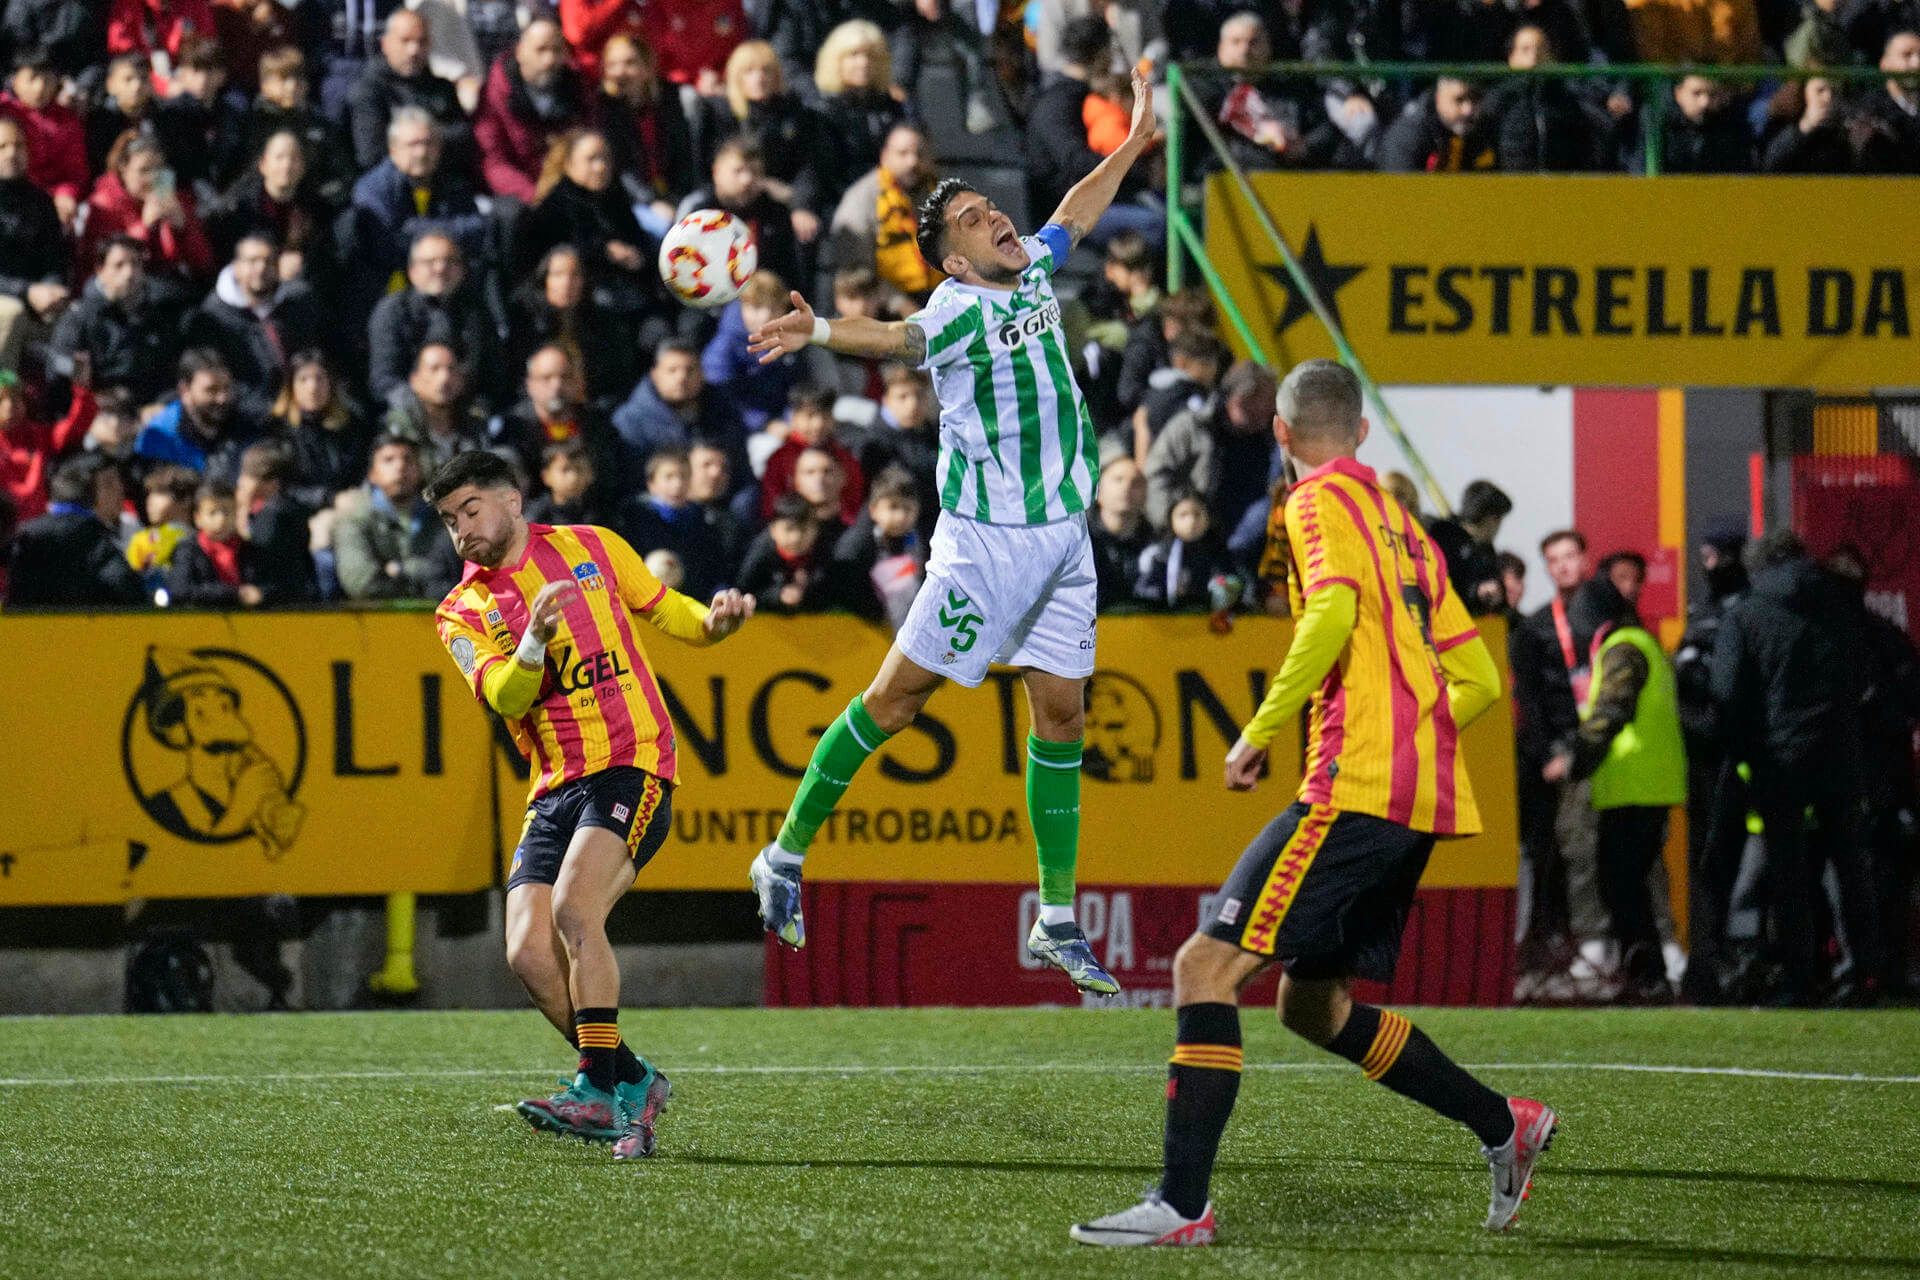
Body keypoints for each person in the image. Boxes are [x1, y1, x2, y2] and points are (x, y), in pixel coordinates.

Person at [1070, 360, 1548, 1249]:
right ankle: (1502, 1124)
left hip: (1354, 787)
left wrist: (1258, 729)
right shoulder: (1404, 525)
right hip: (1417, 800)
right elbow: (1478, 672)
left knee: (1199, 971)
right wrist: (1414, 734)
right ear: (1363, 432)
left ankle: (1181, 1205)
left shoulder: (1311, 504)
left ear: (1280, 436)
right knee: (1310, 1008)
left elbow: (1327, 612)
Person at [742, 69, 1163, 997]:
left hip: (1064, 538)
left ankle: (1057, 919)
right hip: (988, 545)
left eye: (987, 207)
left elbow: (1074, 211)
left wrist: (1132, 146)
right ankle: (783, 854)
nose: (996, 220)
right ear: (954, 261)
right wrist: (818, 332)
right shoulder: (957, 311)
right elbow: (894, 341)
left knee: (1063, 715)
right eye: (975, 220)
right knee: (895, 704)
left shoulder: (1038, 269)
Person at [426, 447, 753, 1159]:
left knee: (575, 911)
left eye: (470, 511)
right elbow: (505, 697)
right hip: (553, 788)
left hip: (632, 764)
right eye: (450, 521)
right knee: (525, 951)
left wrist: (716, 623)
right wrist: (535, 641)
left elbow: (673, 613)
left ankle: (596, 1091)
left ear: (513, 500)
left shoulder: (592, 547)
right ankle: (630, 1078)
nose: (461, 531)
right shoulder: (461, 611)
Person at [1710, 530, 1882, 1004]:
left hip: (1777, 758)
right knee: (1849, 864)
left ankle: (1798, 975)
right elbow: (1867, 675)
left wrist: (1745, 751)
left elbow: (1727, 694)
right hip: (1841, 752)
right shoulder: (1846, 606)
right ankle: (1861, 972)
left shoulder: (1746, 614)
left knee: (1788, 870)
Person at [1543, 575, 1686, 1003]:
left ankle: (1646, 977)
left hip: (1634, 787)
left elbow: (1611, 711)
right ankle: (1645, 972)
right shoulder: (1638, 642)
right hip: (1642, 784)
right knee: (1627, 883)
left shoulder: (1623, 648)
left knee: (1622, 886)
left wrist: (1576, 760)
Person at [1672, 523, 1750, 1001]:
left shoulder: (1741, 607)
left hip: (1731, 757)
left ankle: (1727, 963)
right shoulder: (1703, 608)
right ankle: (1707, 963)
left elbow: (1727, 685)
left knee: (1729, 863)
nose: (1707, 565)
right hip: (1699, 755)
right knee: (1706, 863)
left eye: (1713, 556)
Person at [344, 109, 490, 303]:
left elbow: (478, 231)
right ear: (393, 149)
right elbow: (389, 245)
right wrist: (452, 232)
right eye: (412, 145)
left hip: (447, 285)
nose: (421, 152)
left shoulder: (453, 183)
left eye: (428, 143)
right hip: (386, 293)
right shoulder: (372, 189)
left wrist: (415, 229)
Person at [696, 39, 827, 251]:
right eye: (749, 71)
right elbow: (703, 163)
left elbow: (807, 167)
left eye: (766, 71)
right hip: (723, 199)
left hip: (778, 200)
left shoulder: (794, 114)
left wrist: (801, 204)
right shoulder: (717, 112)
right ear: (736, 76)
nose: (759, 78)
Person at [182, 232, 323, 421]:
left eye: (268, 261)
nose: (261, 268)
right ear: (236, 267)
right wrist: (273, 411)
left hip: (303, 406)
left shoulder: (297, 301)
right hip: (252, 418)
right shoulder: (214, 317)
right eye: (252, 261)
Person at [366, 231, 500, 410]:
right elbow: (385, 380)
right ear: (412, 271)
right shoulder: (392, 311)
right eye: (430, 262)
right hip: (408, 415)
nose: (440, 268)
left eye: (449, 261)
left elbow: (492, 376)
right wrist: (425, 413)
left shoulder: (476, 312)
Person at [50, 237, 189, 407]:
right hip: (98, 409)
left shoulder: (159, 313)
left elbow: (172, 371)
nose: (129, 273)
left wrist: (161, 404)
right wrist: (81, 377)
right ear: (100, 270)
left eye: (136, 264)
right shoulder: (80, 317)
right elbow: (57, 365)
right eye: (119, 265)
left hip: (149, 408)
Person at [1143, 360, 1277, 532]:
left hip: (1239, 533)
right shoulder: (1192, 426)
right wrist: (1172, 520)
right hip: (1187, 529)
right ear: (1233, 395)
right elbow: (1156, 474)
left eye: (1267, 404)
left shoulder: (1270, 444)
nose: (1259, 409)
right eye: (1251, 398)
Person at [591, 33, 697, 237]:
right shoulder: (604, 110)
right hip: (632, 201)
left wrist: (681, 200)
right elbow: (620, 170)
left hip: (676, 194)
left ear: (647, 67)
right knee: (663, 230)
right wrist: (651, 201)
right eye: (612, 65)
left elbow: (685, 157)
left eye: (630, 63)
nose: (621, 72)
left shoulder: (672, 101)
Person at [333, 433, 462, 600]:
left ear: (420, 469)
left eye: (408, 459)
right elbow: (360, 584)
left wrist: (399, 570)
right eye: (388, 460)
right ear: (372, 474)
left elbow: (453, 578)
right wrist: (422, 578)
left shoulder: (439, 515)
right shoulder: (353, 516)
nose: (400, 466)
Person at [5, 453, 145, 606]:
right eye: (108, 484)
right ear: (85, 492)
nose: (120, 489)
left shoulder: (132, 527)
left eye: (119, 481)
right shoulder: (75, 538)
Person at [78, 131, 217, 284]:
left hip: (172, 283)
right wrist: (145, 226)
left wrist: (183, 228)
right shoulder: (104, 204)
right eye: (144, 170)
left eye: (159, 169)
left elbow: (204, 263)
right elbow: (102, 266)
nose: (153, 178)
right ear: (124, 168)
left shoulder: (171, 196)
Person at [610, 337, 750, 489]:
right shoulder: (631, 421)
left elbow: (741, 472)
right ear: (655, 375)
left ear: (702, 374)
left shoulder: (725, 412)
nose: (681, 377)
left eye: (690, 370)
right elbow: (631, 482)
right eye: (672, 370)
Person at [474, 18, 588, 202]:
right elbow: (494, 161)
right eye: (541, 50)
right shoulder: (494, 95)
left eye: (556, 50)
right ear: (520, 52)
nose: (549, 60)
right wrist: (534, 196)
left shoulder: (577, 89)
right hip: (522, 195)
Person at [826, 122, 941, 303]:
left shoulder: (943, 193)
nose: (912, 162)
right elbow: (855, 270)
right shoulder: (862, 198)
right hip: (884, 307)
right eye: (902, 154)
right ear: (885, 156)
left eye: (919, 154)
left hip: (941, 297)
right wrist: (900, 305)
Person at [345, 9, 470, 172]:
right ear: (385, 44)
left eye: (421, 42)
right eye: (405, 41)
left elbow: (463, 139)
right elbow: (370, 155)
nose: (414, 50)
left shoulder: (442, 88)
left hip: (441, 183)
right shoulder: (369, 91)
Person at [674, 136, 803, 293]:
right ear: (716, 173)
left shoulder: (774, 211)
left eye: (755, 172)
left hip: (764, 302)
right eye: (738, 171)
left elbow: (789, 272)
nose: (747, 180)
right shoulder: (697, 212)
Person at [812, 19, 914, 205]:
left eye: (870, 56)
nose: (863, 63)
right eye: (853, 55)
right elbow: (825, 173)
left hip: (893, 200)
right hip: (840, 205)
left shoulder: (893, 108)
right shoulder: (823, 113)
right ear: (837, 61)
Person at [135, 348, 263, 481]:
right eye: (211, 390)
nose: (222, 398)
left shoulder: (247, 429)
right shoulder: (160, 436)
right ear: (184, 390)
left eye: (227, 388)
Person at [618, 447, 726, 598]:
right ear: (652, 484)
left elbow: (712, 570)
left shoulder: (703, 521)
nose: (677, 484)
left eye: (683, 476)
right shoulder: (635, 519)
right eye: (669, 477)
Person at [272, 350, 372, 510]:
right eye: (303, 379)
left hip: (352, 505)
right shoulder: (278, 430)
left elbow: (362, 469)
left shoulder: (351, 424)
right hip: (301, 512)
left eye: (319, 378)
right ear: (291, 387)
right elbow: (283, 487)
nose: (312, 387)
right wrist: (328, 498)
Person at [828, 465, 924, 625]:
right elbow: (846, 589)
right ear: (873, 510)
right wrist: (876, 614)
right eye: (893, 507)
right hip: (869, 631)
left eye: (907, 509)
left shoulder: (921, 541)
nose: (900, 516)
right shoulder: (856, 547)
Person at [381, 341, 488, 479]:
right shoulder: (400, 425)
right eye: (434, 369)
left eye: (451, 369)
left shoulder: (475, 424)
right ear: (415, 380)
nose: (444, 378)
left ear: (461, 380)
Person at [0, 370, 93, 524]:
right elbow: (23, 497)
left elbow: (75, 426)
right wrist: (38, 459)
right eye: (2, 400)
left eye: (16, 398)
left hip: (41, 528)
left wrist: (82, 388)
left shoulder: (36, 433)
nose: (10, 406)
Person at [165, 477, 264, 608]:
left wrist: (261, 593)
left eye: (227, 512)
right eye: (212, 513)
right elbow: (180, 590)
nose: (221, 520)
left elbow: (270, 584)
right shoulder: (188, 550)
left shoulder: (248, 549)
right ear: (198, 518)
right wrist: (234, 594)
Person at [1134, 489, 1235, 611]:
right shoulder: (1159, 555)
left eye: (1197, 514)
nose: (1191, 522)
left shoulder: (1219, 553)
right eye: (1183, 515)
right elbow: (1144, 590)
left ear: (1208, 518)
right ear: (1171, 520)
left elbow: (1232, 584)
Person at [1426, 479, 1512, 613]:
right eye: (1499, 520)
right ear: (1491, 519)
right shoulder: (1442, 536)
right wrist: (1476, 591)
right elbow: (1437, 585)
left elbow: (1499, 593)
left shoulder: (1486, 550)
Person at [736, 490, 830, 613]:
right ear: (773, 530)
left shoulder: (823, 551)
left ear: (816, 529)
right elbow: (743, 590)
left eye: (804, 529)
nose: (796, 537)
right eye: (789, 529)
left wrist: (808, 589)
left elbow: (832, 592)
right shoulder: (761, 551)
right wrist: (777, 595)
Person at [1380, 77, 1495, 173]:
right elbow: (1402, 192)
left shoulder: (1484, 125)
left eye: (1475, 99)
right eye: (1459, 100)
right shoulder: (1408, 135)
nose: (1468, 110)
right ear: (1438, 99)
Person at [1089, 454, 1151, 610]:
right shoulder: (1078, 542)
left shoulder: (1159, 546)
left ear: (1146, 494)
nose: (1127, 487)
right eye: (1118, 479)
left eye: (1136, 483)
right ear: (1098, 490)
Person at [525, 438, 603, 527]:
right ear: (546, 476)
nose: (573, 478)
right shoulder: (535, 518)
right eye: (565, 470)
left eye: (579, 469)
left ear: (590, 475)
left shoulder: (601, 513)